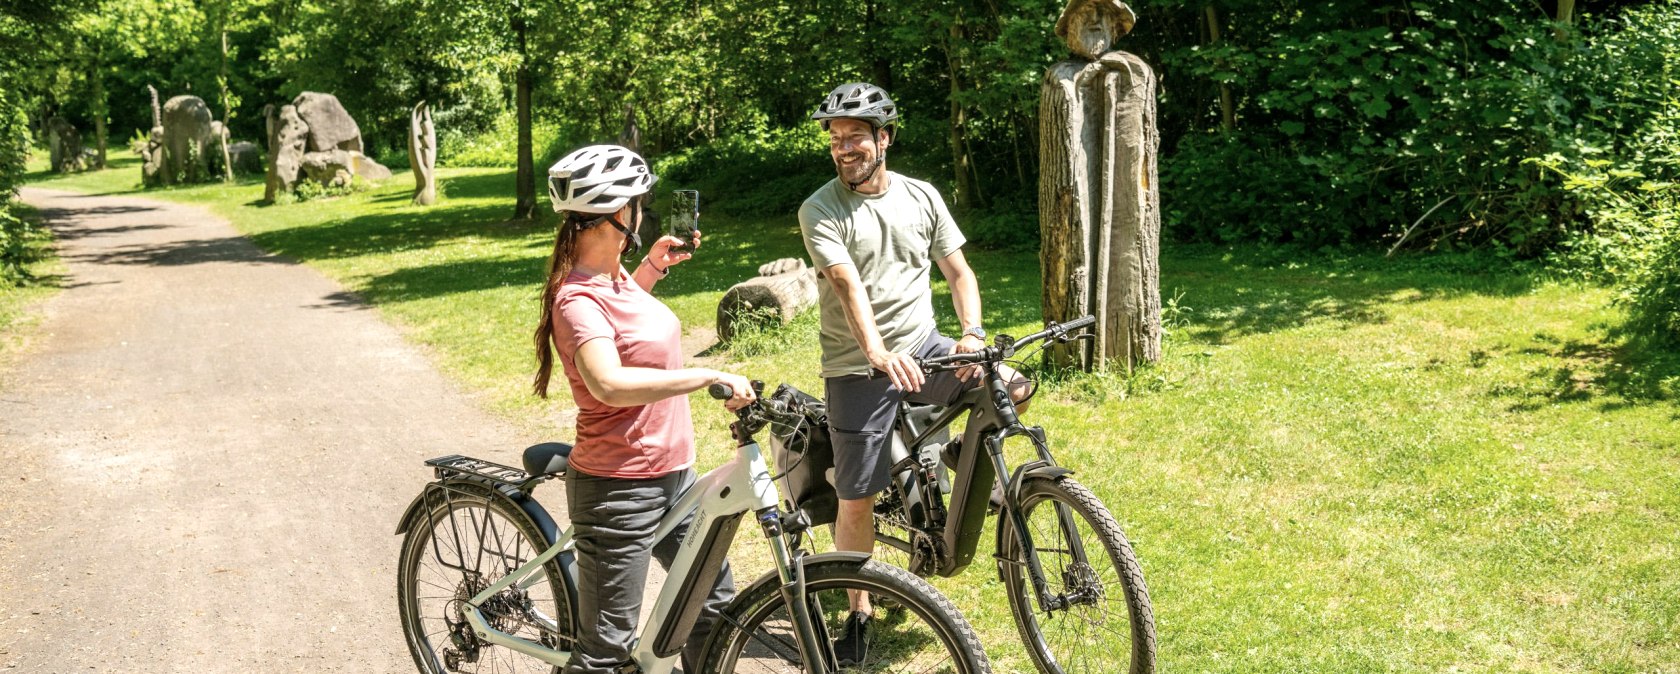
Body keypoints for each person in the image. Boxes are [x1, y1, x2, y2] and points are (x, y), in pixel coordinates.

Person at [797, 82, 1032, 665]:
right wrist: (877, 354)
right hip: (858, 366)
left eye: (855, 137)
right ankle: (857, 607)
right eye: (835, 139)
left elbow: (959, 273)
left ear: (884, 138)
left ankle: (959, 455)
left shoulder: (922, 196)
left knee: (1011, 383)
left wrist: (971, 335)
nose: (843, 148)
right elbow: (847, 286)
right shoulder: (821, 207)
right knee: (857, 498)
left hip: (926, 346)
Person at [533, 144, 753, 674]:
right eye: (637, 202)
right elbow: (608, 382)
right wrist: (706, 375)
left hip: (676, 476)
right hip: (620, 490)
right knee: (607, 651)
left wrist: (652, 266)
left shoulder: (613, 279)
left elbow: (627, 330)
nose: (642, 210)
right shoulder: (577, 299)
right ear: (615, 214)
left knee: (712, 610)